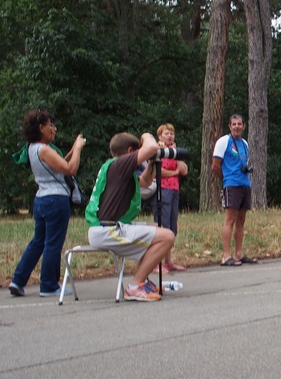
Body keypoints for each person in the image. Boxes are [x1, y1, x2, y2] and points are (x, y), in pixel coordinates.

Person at [86, 132, 175, 301]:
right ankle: (135, 285)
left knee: (156, 228)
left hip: (108, 227)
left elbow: (146, 182)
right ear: (129, 151)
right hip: (108, 230)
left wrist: (152, 162)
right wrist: (147, 136)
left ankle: (143, 280)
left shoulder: (117, 169)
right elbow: (151, 147)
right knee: (167, 237)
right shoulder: (120, 164)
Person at [9, 109, 86, 297]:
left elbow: (57, 166)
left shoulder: (32, 148)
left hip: (42, 198)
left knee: (38, 242)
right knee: (53, 243)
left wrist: (68, 154)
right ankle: (49, 285)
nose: (54, 129)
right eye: (50, 125)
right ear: (40, 127)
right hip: (56, 199)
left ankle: (18, 280)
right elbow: (70, 169)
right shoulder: (44, 149)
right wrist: (77, 149)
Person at [213, 114, 257, 265]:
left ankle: (239, 253)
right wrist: (225, 181)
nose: (237, 127)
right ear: (229, 126)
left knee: (241, 220)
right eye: (234, 124)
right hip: (232, 183)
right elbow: (215, 165)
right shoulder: (223, 141)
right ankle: (226, 255)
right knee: (230, 218)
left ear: (244, 126)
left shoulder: (244, 143)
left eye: (239, 124)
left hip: (245, 183)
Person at [151, 123, 188, 274]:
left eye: (171, 133)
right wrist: (174, 173)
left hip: (174, 190)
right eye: (166, 133)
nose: (169, 136)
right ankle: (155, 263)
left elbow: (184, 170)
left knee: (172, 226)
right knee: (162, 225)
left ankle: (168, 261)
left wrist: (175, 153)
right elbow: (157, 172)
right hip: (162, 190)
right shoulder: (157, 151)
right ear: (160, 136)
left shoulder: (173, 152)